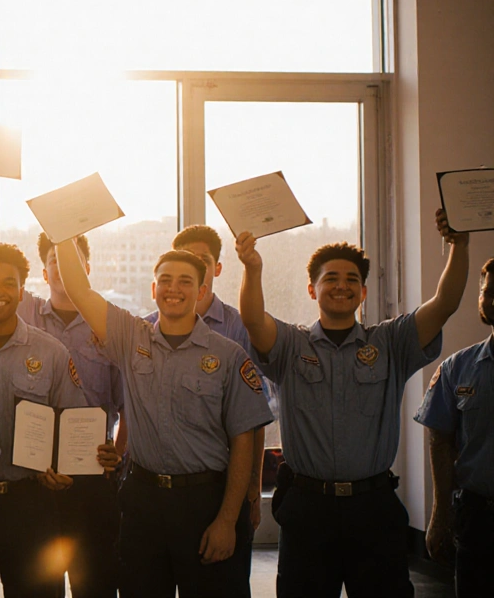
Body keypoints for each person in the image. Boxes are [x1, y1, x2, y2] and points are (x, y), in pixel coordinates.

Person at [237, 209, 468, 598]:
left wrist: (457, 246)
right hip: (307, 509)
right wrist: (253, 268)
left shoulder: (391, 342)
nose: (341, 286)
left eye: (352, 280)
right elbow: (253, 319)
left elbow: (445, 302)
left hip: (373, 508)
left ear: (363, 292)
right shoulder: (292, 345)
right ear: (312, 289)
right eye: (330, 278)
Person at [0, 157, 125, 598]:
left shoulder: (51, 350)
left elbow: (75, 419)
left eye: (8, 283)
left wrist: (71, 462)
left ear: (23, 290)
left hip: (34, 505)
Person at [56, 240, 272, 598]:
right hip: (144, 503)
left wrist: (227, 520)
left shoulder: (227, 355)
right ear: (154, 289)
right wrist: (63, 233)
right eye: (166, 280)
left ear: (202, 290)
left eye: (186, 281)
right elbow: (80, 290)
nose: (174, 288)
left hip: (205, 502)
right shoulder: (131, 336)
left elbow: (243, 441)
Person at [142, 225, 267, 548]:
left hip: (218, 486)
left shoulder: (240, 330)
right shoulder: (143, 332)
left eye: (203, 261)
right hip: (151, 490)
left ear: (216, 269)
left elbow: (252, 420)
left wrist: (253, 486)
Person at [417, 256, 494, 598]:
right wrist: (439, 515)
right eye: (488, 292)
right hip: (478, 518)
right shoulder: (457, 369)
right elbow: (440, 443)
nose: (493, 299)